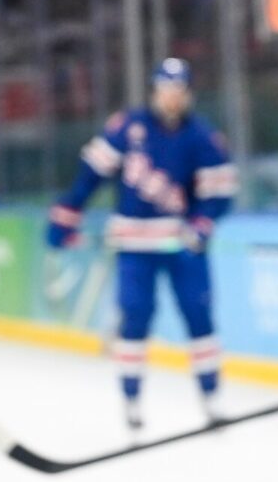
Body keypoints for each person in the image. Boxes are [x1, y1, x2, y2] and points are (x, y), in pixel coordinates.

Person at [46, 57, 235, 430]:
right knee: (134, 317)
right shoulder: (128, 128)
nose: (172, 98)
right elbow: (91, 175)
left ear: (188, 94)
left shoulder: (201, 136)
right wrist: (68, 213)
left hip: (182, 248)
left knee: (199, 316)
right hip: (135, 248)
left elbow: (220, 195)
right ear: (154, 91)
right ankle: (131, 401)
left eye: (178, 91)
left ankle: (211, 398)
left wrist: (202, 223)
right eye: (166, 90)